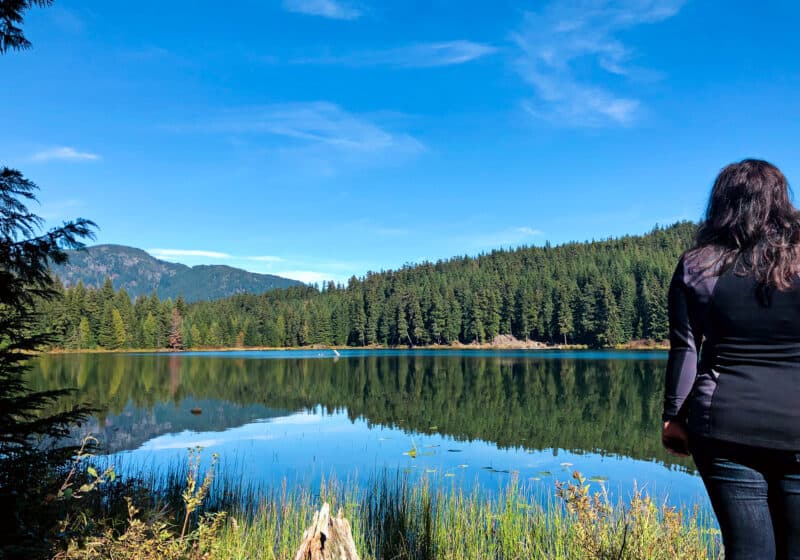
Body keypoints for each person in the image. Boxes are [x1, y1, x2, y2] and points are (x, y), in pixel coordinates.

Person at [662, 159, 800, 560]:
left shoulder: (696, 265)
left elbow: (685, 347)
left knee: (747, 550)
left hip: (722, 427)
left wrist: (673, 416)